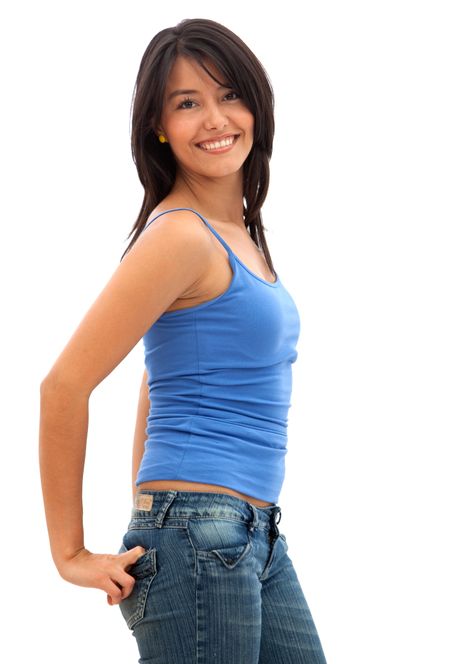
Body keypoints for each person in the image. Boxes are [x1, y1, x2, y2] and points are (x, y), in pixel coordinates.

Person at [39, 17, 328, 664]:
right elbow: (63, 386)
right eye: (188, 103)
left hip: (245, 533)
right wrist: (71, 553)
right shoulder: (179, 234)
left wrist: (151, 511)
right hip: (203, 532)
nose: (216, 119)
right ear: (159, 126)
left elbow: (157, 377)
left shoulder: (238, 235)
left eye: (229, 95)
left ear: (256, 105)